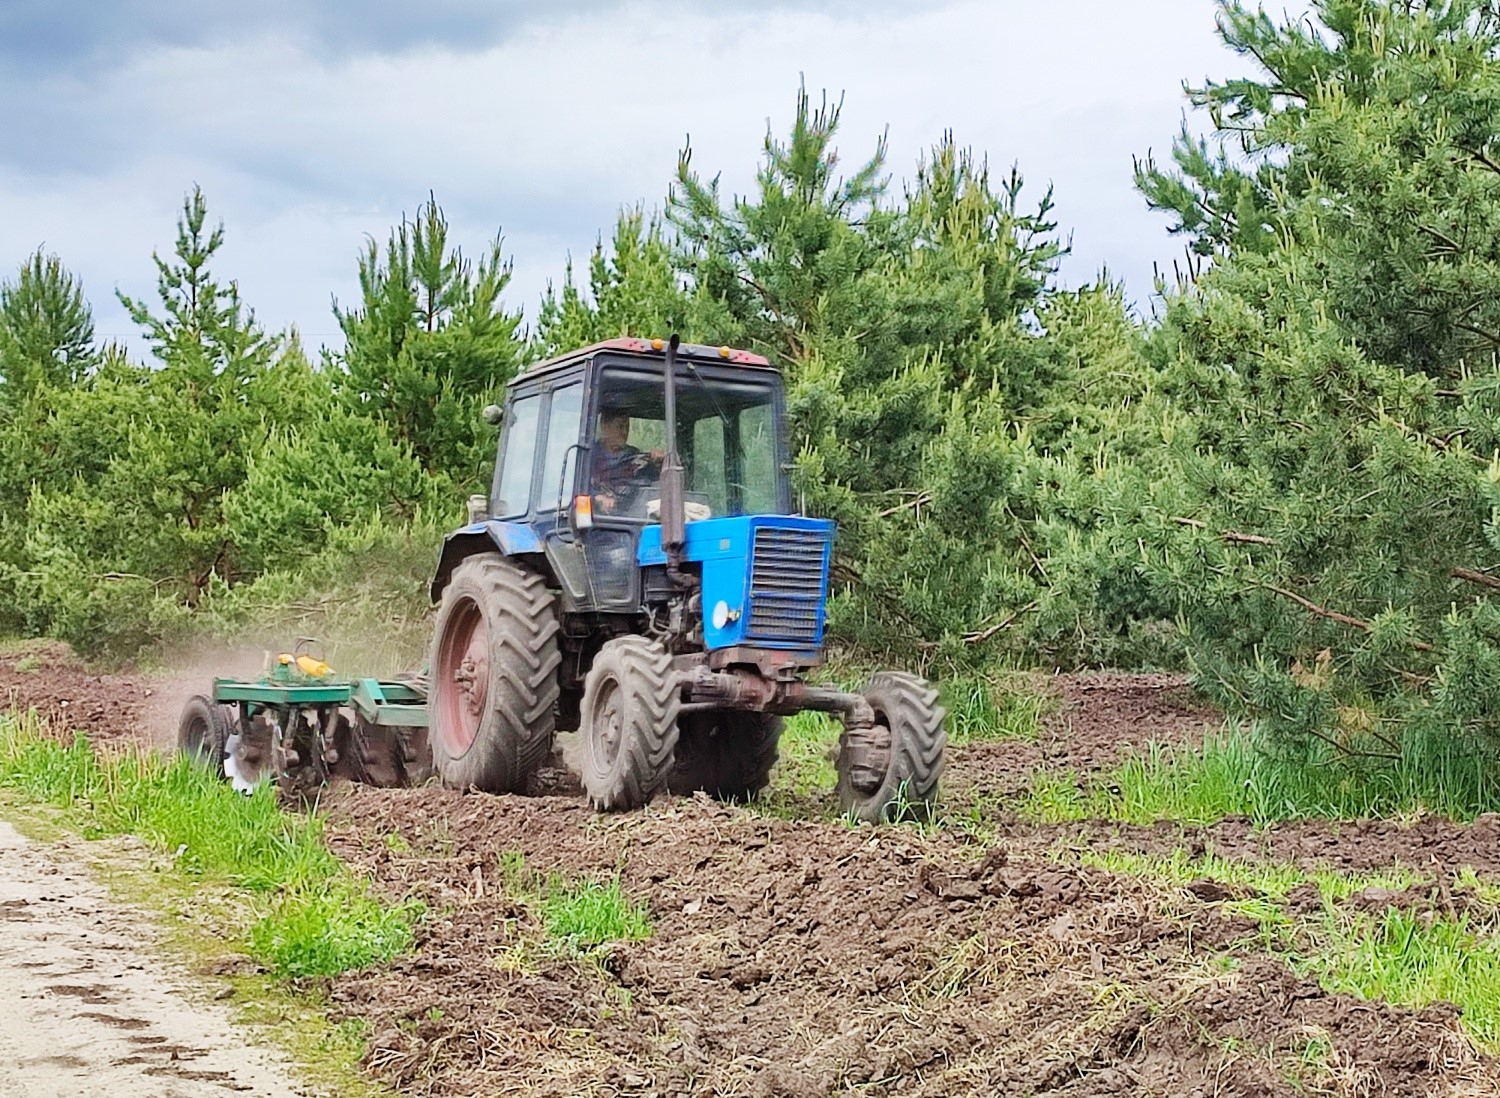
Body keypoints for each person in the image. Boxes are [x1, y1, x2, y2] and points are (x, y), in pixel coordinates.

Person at [591, 407, 662, 515]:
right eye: (620, 427)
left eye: (627, 427)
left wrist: (658, 461)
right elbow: (579, 489)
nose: (624, 432)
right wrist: (597, 497)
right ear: (604, 427)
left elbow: (650, 477)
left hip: (631, 517)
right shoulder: (590, 456)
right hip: (600, 520)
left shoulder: (633, 455)